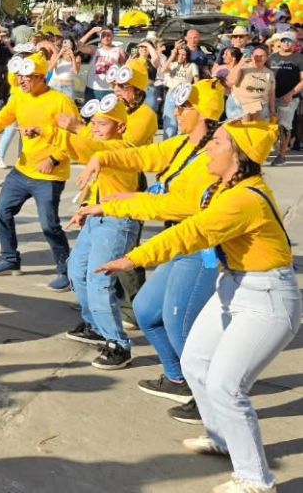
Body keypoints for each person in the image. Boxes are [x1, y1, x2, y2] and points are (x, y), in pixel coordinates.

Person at [96, 121, 299, 493]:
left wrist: (135, 258)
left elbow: (191, 233)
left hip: (267, 299)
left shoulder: (244, 199)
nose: (208, 147)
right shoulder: (221, 188)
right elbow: (172, 205)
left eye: (217, 143)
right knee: (195, 361)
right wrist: (116, 203)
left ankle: (256, 479)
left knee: (226, 385)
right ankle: (222, 437)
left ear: (238, 157)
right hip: (234, 285)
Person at [74, 80, 226, 425]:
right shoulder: (185, 145)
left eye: (184, 107)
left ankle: (210, 399)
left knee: (178, 322)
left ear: (204, 111)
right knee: (145, 310)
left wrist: (126, 203)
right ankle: (177, 379)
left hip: (201, 245)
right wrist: (102, 155)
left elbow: (183, 203)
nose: (176, 112)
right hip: (178, 239)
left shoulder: (212, 153)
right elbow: (142, 155)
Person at [40, 94, 143, 369]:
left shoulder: (122, 148)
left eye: (103, 123)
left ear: (120, 127)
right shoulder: (101, 148)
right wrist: (84, 207)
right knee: (76, 270)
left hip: (117, 223)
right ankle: (95, 324)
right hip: (96, 218)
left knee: (99, 281)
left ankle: (118, 344)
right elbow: (95, 175)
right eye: (94, 122)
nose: (95, 127)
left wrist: (73, 127)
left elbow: (92, 150)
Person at [0, 51, 79, 289]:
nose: (21, 81)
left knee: (49, 225)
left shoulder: (60, 101)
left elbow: (74, 137)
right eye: (20, 77)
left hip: (49, 175)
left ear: (42, 78)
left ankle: (66, 271)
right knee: (2, 212)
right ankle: (10, 259)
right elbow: (2, 118)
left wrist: (53, 159)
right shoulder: (19, 97)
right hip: (23, 170)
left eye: (28, 77)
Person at [265, 31, 303, 164]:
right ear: (279, 43)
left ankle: (281, 155)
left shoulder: (299, 58)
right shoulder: (271, 58)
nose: (286, 43)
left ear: (293, 44)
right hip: (270, 97)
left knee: (284, 126)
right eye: (284, 40)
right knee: (268, 125)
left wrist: (291, 93)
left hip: (289, 99)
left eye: (289, 41)